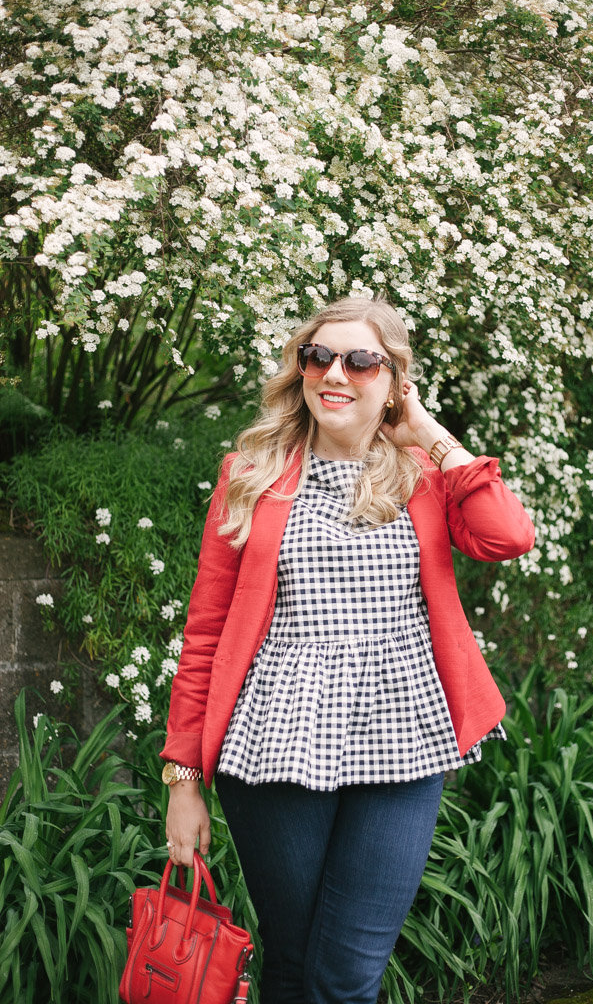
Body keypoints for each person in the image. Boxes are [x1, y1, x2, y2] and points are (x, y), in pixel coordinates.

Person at [161, 296, 535, 1004]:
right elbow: (205, 630)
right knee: (295, 965)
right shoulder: (250, 473)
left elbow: (506, 536)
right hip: (274, 742)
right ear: (299, 368)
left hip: (401, 738)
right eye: (318, 356)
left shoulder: (421, 474)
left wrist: (425, 431)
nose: (335, 372)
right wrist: (183, 781)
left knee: (347, 976)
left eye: (361, 360)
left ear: (393, 379)